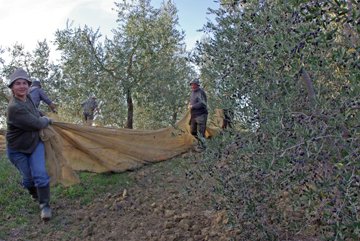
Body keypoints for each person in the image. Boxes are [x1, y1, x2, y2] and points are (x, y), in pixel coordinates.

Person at [5, 69, 54, 220]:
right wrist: (46, 120)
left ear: (28, 85)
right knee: (28, 179)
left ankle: (45, 205)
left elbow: (35, 112)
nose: (21, 86)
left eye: (24, 83)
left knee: (39, 174)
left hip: (34, 143)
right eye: (17, 83)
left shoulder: (28, 96)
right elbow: (37, 124)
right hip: (17, 149)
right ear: (12, 87)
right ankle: (35, 195)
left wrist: (43, 115)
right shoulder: (14, 107)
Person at [188, 78, 208, 149]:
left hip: (201, 115)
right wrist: (190, 104)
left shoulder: (201, 92)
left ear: (198, 85)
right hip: (193, 116)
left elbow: (202, 103)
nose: (193, 86)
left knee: (201, 132)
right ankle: (202, 142)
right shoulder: (193, 92)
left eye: (195, 85)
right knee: (192, 131)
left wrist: (192, 106)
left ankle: (202, 147)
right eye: (192, 85)